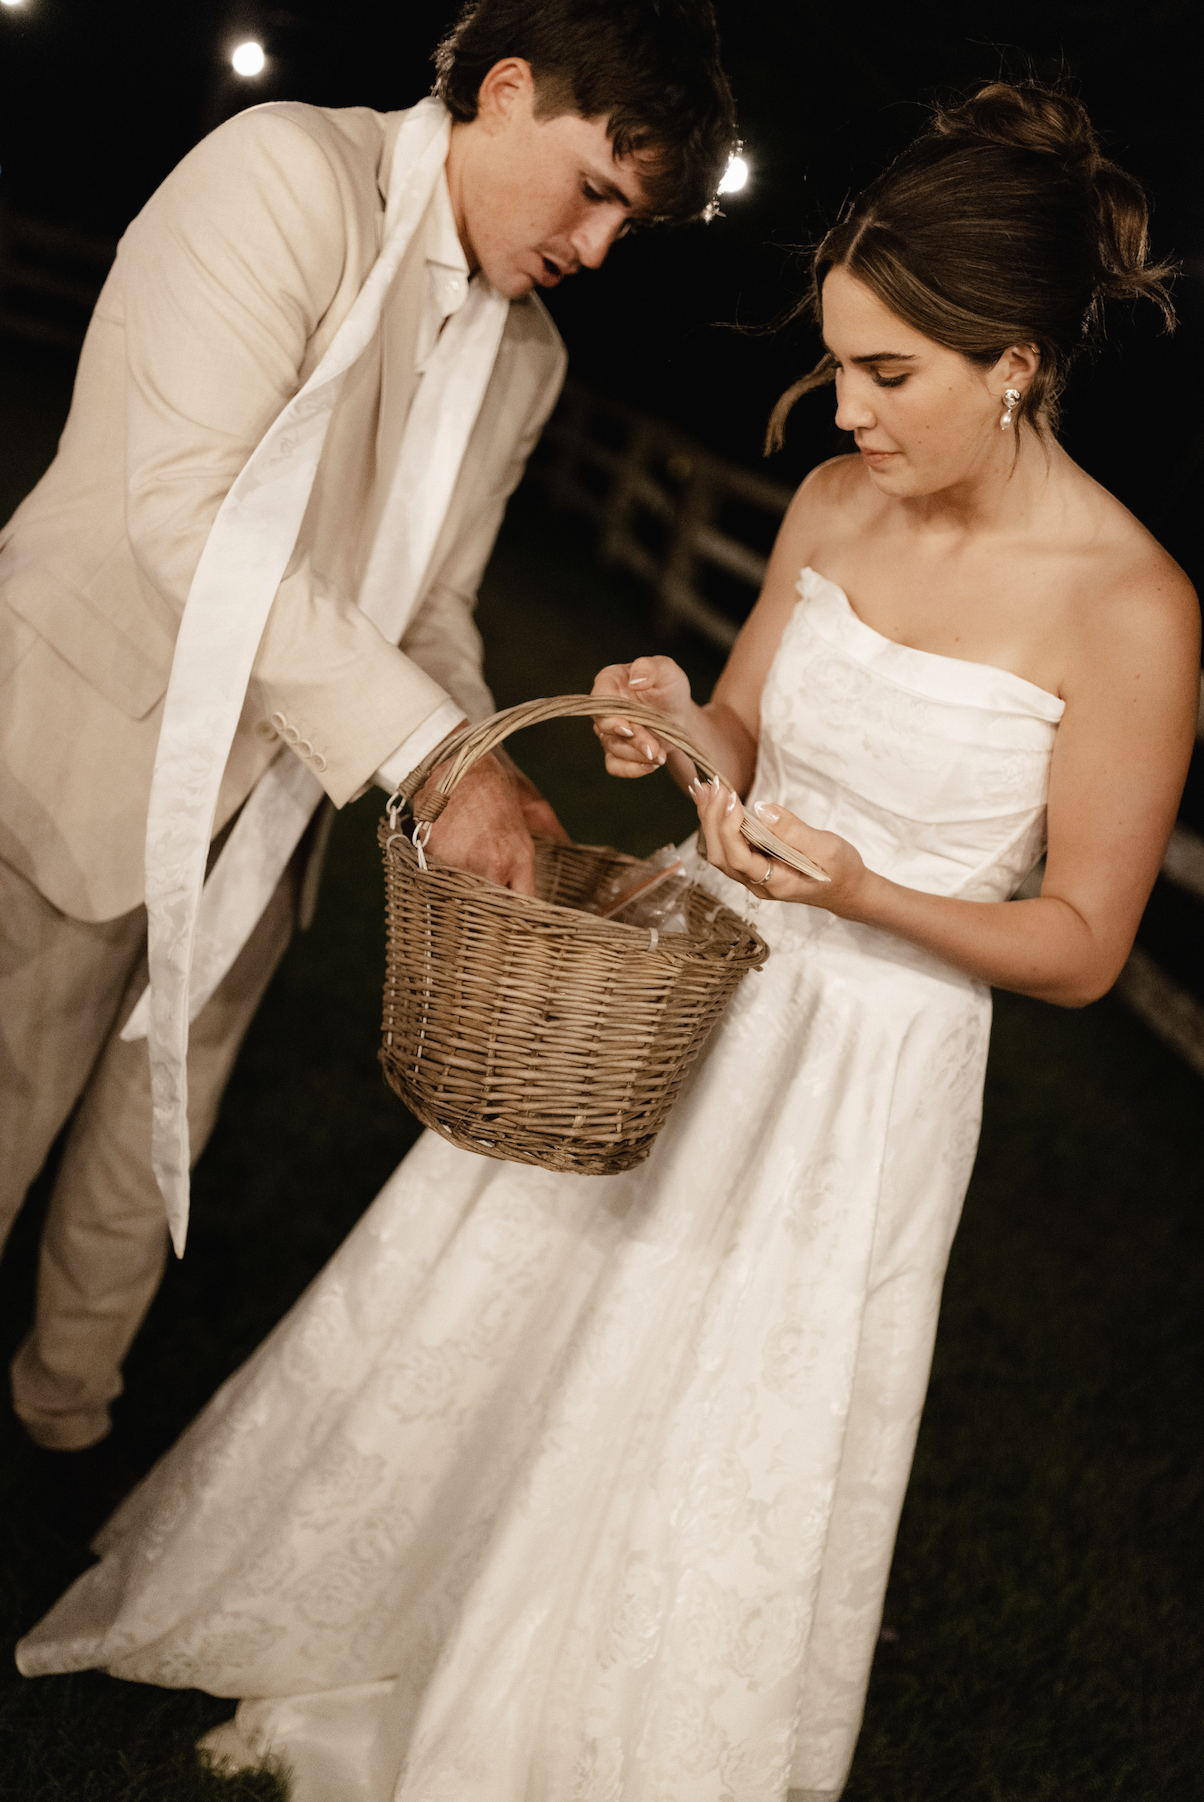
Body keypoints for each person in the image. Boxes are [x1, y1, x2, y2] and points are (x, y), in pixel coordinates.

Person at [17, 82, 1198, 1802]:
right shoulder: (836, 512)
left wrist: (862, 893)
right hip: (684, 986)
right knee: (518, 1320)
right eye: (845, 363)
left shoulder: (1133, 600)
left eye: (892, 376)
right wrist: (678, 723)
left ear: (1014, 355)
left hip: (864, 1073)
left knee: (716, 1408)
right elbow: (742, 734)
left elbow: (1085, 942)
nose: (848, 411)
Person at [0, 0, 737, 1505]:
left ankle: (67, 1415)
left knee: (162, 1127)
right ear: (506, 91)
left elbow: (436, 605)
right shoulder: (283, 176)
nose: (600, 248)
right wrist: (431, 759)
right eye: (596, 186)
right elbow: (186, 515)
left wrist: (480, 752)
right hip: (83, 732)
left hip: (278, 797)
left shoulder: (527, 363)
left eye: (632, 222)